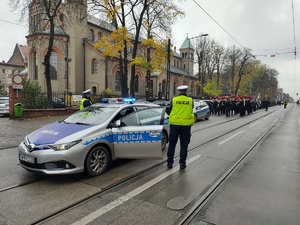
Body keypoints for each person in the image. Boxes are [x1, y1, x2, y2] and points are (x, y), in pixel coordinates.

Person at [167, 85, 194, 169]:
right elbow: (191, 109)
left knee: (172, 144)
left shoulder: (174, 100)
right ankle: (182, 163)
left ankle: (170, 163)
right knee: (184, 145)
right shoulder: (190, 100)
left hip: (174, 125)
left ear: (178, 92)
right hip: (186, 125)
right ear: (186, 91)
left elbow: (169, 110)